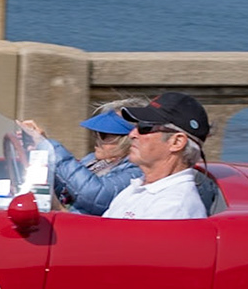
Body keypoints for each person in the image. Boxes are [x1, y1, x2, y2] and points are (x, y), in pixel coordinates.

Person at [20, 97, 150, 215]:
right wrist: (38, 151)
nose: (97, 139)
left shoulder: (137, 170)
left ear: (131, 139)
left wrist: (51, 148)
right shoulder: (92, 160)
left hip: (87, 232)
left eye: (105, 135)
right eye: (96, 133)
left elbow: (95, 195)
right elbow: (67, 190)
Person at [103, 91, 212, 220]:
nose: (132, 134)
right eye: (135, 126)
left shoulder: (173, 207)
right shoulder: (138, 188)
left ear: (176, 142)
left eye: (144, 127)